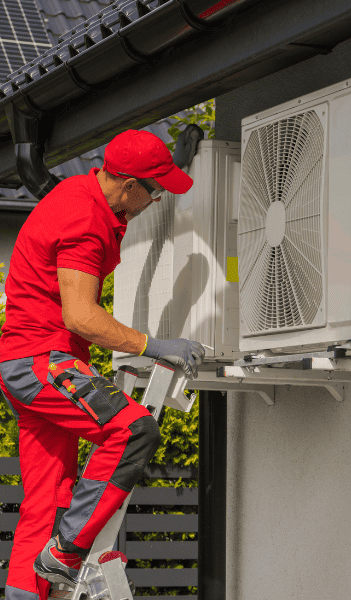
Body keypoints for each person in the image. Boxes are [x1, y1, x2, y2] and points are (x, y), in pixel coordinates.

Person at [0, 130, 205, 600]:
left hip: (23, 362)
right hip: (42, 361)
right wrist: (153, 345)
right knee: (133, 431)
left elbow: (139, 181)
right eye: (153, 191)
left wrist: (176, 163)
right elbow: (81, 315)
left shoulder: (85, 195)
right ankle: (65, 554)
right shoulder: (85, 219)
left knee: (46, 503)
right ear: (128, 183)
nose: (156, 200)